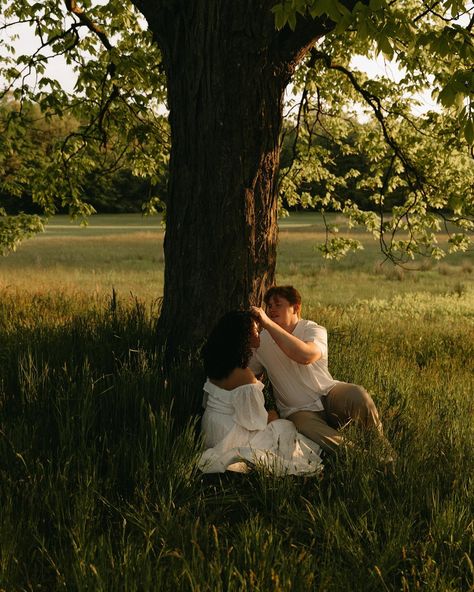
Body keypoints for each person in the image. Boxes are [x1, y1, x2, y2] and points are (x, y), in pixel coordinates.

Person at [250, 286, 384, 454]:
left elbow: (306, 356)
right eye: (269, 306)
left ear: (296, 307)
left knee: (358, 395)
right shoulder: (261, 342)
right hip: (297, 410)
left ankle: (381, 448)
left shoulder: (312, 329)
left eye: (278, 304)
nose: (271, 309)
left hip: (327, 393)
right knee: (308, 428)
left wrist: (268, 324)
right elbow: (250, 376)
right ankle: (362, 457)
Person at [199, 310, 323, 475]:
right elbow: (255, 422)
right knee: (284, 427)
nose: (260, 334)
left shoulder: (216, 364)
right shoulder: (244, 376)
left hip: (211, 428)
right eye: (256, 330)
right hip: (228, 436)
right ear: (244, 337)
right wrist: (272, 415)